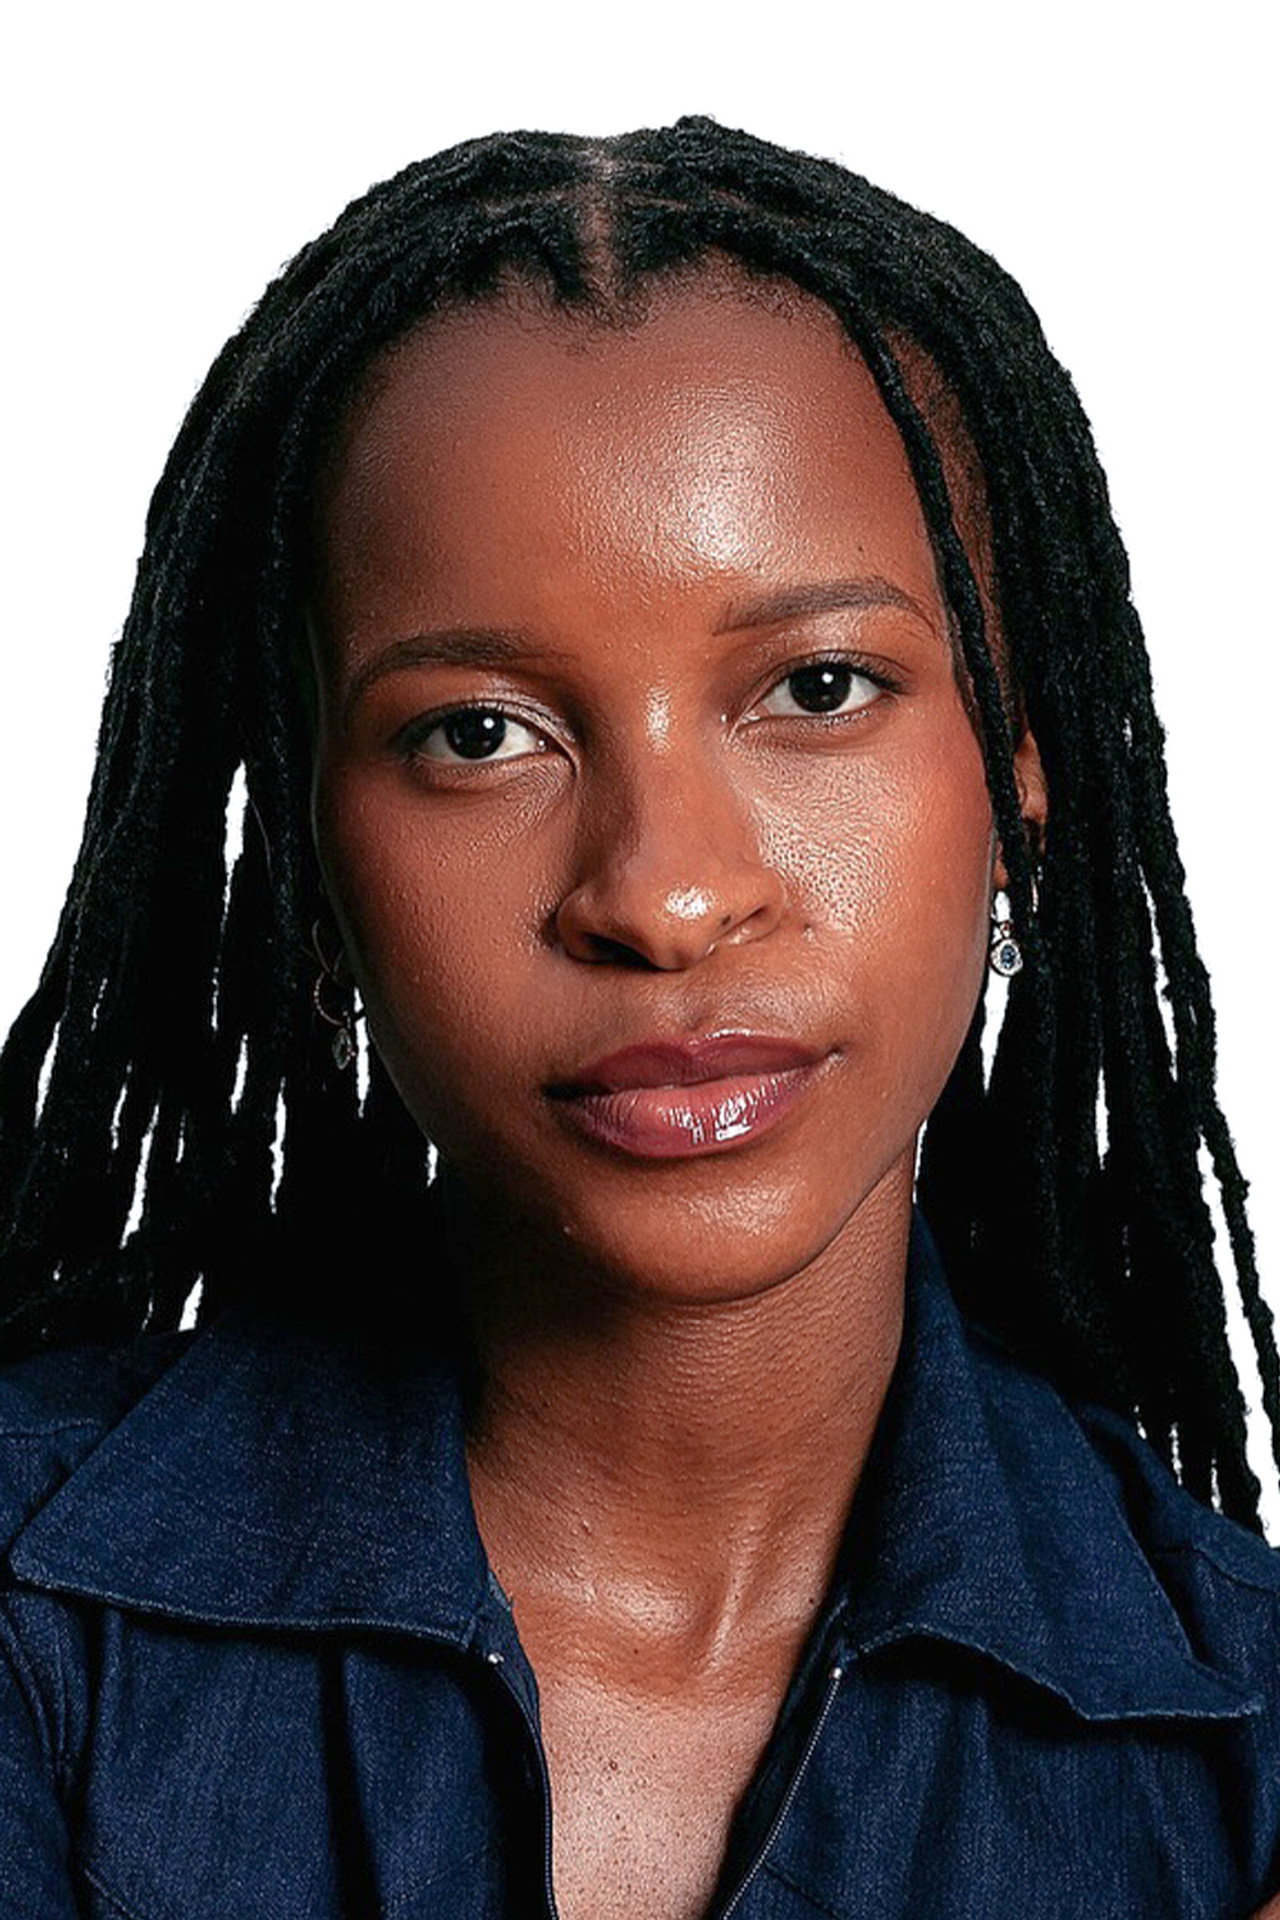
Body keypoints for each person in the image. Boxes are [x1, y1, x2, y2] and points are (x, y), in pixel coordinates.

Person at [1, 114, 1278, 1919]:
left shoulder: (1249, 1747)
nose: (665, 895)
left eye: (817, 687)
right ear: (307, 858)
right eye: (477, 733)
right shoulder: (29, 1626)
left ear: (1017, 784)